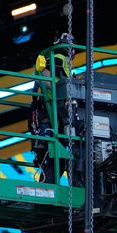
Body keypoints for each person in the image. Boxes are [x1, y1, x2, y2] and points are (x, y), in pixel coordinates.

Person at [29, 33, 75, 184]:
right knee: (54, 163)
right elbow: (42, 77)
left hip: (56, 117)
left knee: (57, 162)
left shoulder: (60, 63)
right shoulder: (58, 59)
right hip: (53, 117)